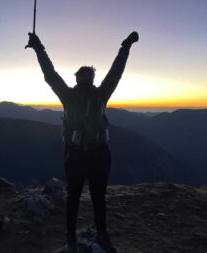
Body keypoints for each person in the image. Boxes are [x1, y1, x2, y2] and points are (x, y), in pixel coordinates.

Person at [25, 31, 139, 252]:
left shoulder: (68, 95)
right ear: (80, 78)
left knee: (76, 197)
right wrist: (126, 47)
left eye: (86, 76)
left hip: (77, 153)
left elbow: (51, 75)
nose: (85, 79)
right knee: (95, 197)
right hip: (97, 152)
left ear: (82, 79)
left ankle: (73, 237)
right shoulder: (100, 94)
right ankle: (99, 235)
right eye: (83, 75)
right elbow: (116, 72)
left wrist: (38, 47)